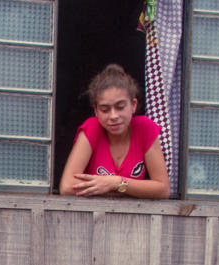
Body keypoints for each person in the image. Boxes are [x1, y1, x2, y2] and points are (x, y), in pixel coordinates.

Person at [58, 64, 170, 199]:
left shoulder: (145, 128)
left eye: (120, 107)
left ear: (133, 105)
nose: (113, 116)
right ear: (96, 110)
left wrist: (117, 183)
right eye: (105, 110)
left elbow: (163, 189)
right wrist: (118, 188)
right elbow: (67, 186)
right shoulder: (92, 128)